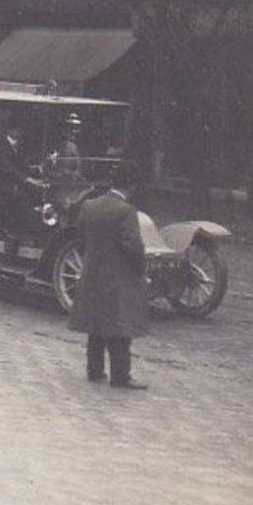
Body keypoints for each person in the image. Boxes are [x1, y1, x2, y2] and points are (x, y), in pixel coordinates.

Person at [69, 162, 150, 390]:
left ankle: (94, 370)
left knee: (96, 324)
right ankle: (121, 376)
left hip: (92, 272)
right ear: (132, 187)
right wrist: (140, 270)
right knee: (119, 327)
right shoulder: (126, 211)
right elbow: (133, 246)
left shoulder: (89, 205)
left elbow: (80, 239)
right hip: (118, 275)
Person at [0, 123, 42, 254]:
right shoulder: (0, 147)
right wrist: (30, 180)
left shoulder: (19, 147)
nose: (21, 131)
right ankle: (11, 238)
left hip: (16, 183)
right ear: (11, 130)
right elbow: (9, 170)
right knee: (19, 196)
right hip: (3, 184)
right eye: (18, 128)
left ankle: (33, 230)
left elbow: (21, 166)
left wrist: (36, 169)